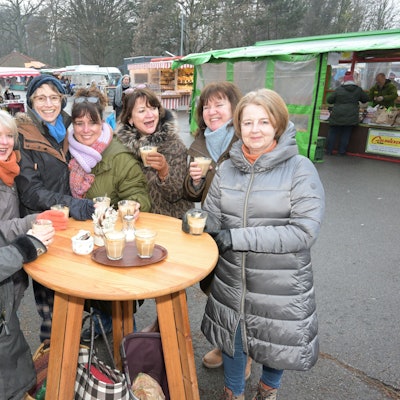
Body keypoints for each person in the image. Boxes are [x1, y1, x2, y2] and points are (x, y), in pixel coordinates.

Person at [201, 88, 325, 400]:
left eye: (264, 122)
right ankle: (234, 392)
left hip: (279, 281)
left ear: (278, 125)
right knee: (234, 340)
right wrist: (201, 224)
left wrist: (235, 237)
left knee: (275, 340)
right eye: (247, 123)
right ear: (238, 127)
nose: (255, 130)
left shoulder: (300, 169)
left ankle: (267, 390)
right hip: (232, 279)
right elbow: (212, 215)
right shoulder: (227, 167)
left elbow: (303, 232)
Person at [14, 75, 95, 342]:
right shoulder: (22, 135)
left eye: (53, 97)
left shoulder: (66, 129)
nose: (48, 104)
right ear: (31, 102)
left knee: (74, 284)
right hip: (44, 222)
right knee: (49, 291)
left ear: (62, 100)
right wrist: (74, 205)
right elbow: (30, 191)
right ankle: (52, 349)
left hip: (71, 221)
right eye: (40, 98)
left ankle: (76, 345)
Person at [68, 87, 151, 341]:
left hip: (111, 243)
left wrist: (134, 205)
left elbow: (139, 194)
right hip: (82, 238)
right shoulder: (68, 149)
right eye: (79, 123)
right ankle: (100, 323)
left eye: (92, 123)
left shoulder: (119, 156)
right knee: (88, 293)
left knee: (117, 304)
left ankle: (129, 348)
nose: (85, 130)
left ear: (102, 122)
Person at [182, 82, 249, 373]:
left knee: (243, 296)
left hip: (242, 230)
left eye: (219, 104)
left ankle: (244, 355)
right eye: (207, 106)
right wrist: (196, 180)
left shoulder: (247, 138)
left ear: (234, 108)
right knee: (219, 293)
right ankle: (226, 347)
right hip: (213, 228)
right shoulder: (201, 142)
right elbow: (194, 194)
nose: (212, 111)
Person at [0, 109, 56, 399]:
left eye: (8, 135)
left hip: (11, 271)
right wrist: (29, 230)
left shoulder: (9, 168)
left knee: (11, 331)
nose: (4, 142)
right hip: (9, 262)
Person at [116, 87, 193, 219]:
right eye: (142, 111)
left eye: (153, 108)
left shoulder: (174, 145)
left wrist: (164, 171)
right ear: (130, 119)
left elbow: (176, 194)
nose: (150, 115)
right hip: (137, 221)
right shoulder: (122, 148)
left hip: (170, 221)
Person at [326, 71, 369, 156]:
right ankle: (341, 152)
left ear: (344, 81)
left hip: (337, 114)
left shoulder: (339, 89)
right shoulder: (358, 90)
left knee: (333, 133)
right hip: (351, 115)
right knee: (346, 134)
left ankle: (329, 151)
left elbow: (329, 100)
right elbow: (365, 99)